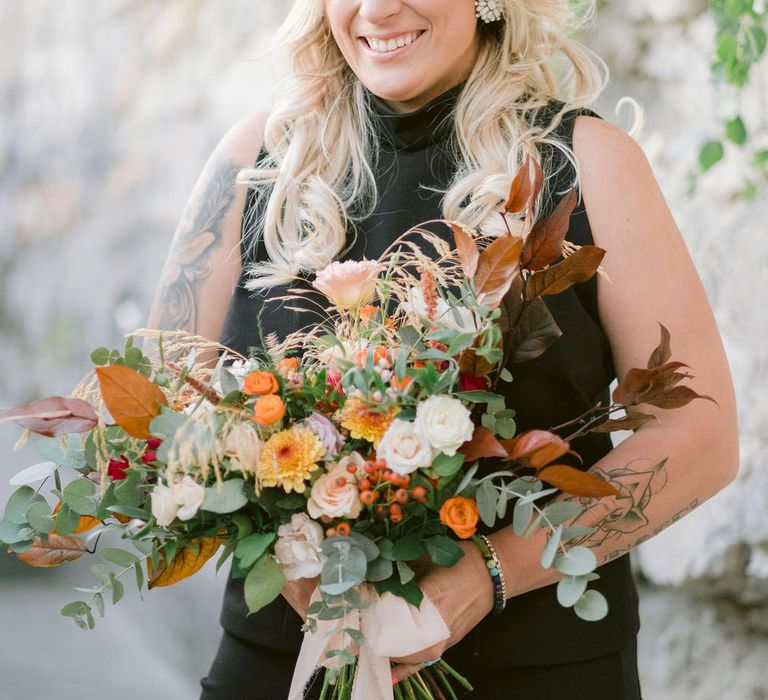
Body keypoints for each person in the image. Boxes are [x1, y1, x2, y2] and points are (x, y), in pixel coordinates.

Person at [147, 1, 739, 698]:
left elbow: (699, 433)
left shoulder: (589, 163)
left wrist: (491, 573)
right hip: (285, 660)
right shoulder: (256, 163)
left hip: (539, 668)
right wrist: (293, 553)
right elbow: (161, 403)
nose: (378, 10)